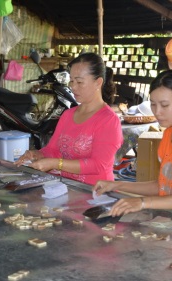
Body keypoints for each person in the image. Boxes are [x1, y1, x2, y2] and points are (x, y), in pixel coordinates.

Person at [93, 69, 172, 220]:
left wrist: (143, 202)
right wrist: (116, 185)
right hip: (170, 220)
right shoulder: (169, 134)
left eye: (164, 105)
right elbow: (162, 186)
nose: (157, 112)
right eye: (153, 104)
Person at [15, 52, 123, 186]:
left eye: (79, 82)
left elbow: (98, 165)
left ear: (98, 82)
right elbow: (53, 150)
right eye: (71, 80)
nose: (73, 87)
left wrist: (56, 164)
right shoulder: (68, 115)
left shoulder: (108, 120)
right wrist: (37, 154)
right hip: (68, 187)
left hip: (95, 192)